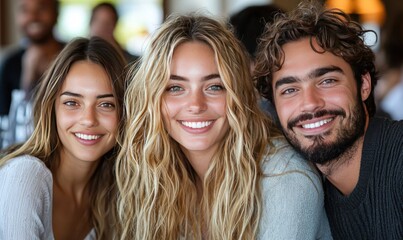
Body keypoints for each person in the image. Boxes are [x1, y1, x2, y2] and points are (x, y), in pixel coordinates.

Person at [115, 14, 332, 239]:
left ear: (237, 93)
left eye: (214, 87)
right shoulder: (152, 174)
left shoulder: (286, 179)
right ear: (153, 98)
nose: (196, 105)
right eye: (176, 88)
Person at [254, 1, 403, 239]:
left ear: (363, 85)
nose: (310, 103)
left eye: (327, 81)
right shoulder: (308, 189)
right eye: (290, 90)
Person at [0, 36, 126, 239]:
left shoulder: (115, 194)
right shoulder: (26, 175)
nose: (88, 120)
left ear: (124, 114)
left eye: (106, 104)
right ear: (51, 108)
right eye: (72, 103)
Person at [0, 0, 64, 148]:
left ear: (56, 13)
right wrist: (28, 75)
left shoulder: (74, 57)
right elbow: (6, 126)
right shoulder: (10, 64)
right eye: (25, 10)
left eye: (41, 8)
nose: (33, 16)